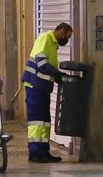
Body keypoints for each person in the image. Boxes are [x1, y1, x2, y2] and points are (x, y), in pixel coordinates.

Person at [21, 22, 73, 163]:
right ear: (61, 31)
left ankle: (43, 151)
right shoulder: (45, 38)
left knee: (44, 121)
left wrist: (57, 76)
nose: (66, 40)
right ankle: (35, 152)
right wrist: (58, 75)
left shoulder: (53, 44)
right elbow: (41, 63)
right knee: (37, 121)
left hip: (42, 87)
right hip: (34, 85)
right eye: (67, 36)